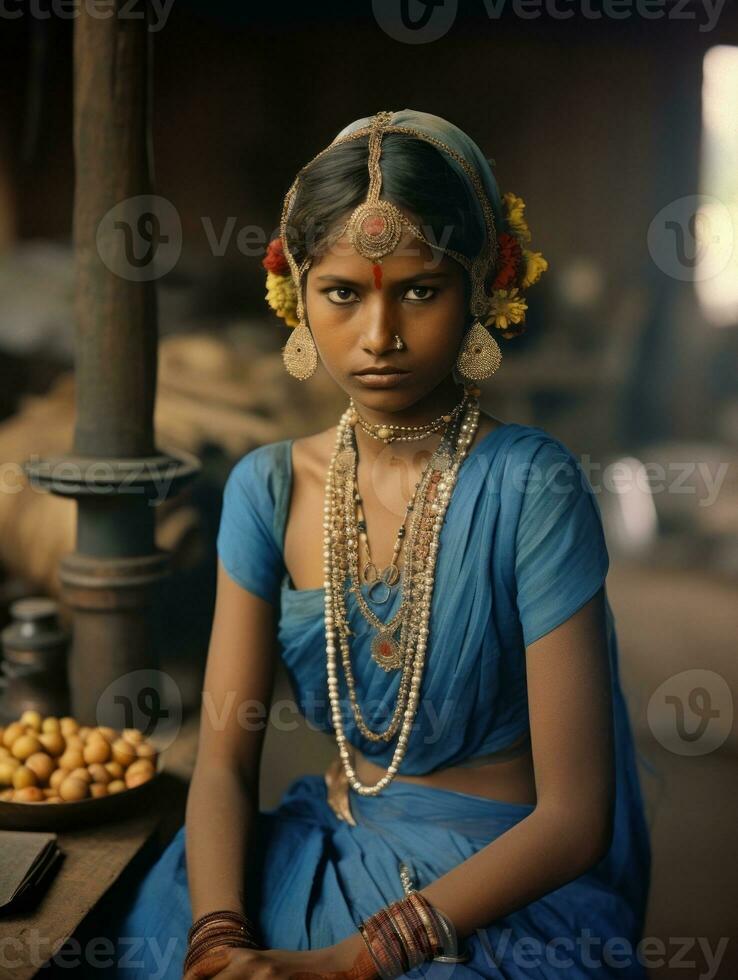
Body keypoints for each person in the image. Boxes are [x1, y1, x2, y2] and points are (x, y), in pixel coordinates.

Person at [103, 109, 651, 980]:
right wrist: (218, 937)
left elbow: (576, 820)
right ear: (298, 292)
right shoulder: (267, 488)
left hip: (493, 890)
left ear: (479, 289)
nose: (379, 336)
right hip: (325, 839)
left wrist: (348, 963)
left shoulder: (531, 486)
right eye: (345, 292)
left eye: (420, 290)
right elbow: (220, 761)